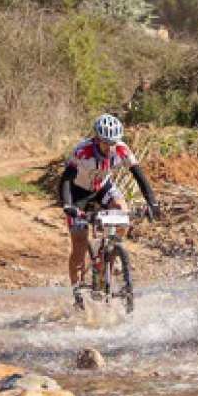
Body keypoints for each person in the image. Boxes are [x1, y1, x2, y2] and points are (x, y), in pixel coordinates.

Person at [60, 114, 161, 309]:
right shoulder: (83, 151)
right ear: (97, 139)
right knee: (79, 243)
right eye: (106, 143)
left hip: (103, 188)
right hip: (77, 193)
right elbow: (65, 179)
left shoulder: (122, 149)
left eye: (113, 142)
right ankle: (77, 295)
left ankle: (110, 256)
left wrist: (152, 203)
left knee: (123, 214)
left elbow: (139, 176)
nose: (110, 147)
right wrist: (68, 205)